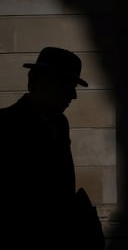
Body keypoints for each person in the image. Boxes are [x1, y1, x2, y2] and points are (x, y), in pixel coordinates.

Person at [0, 47, 105, 249]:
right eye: (67, 86)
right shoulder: (6, 125)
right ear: (39, 81)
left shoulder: (60, 123)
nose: (73, 96)